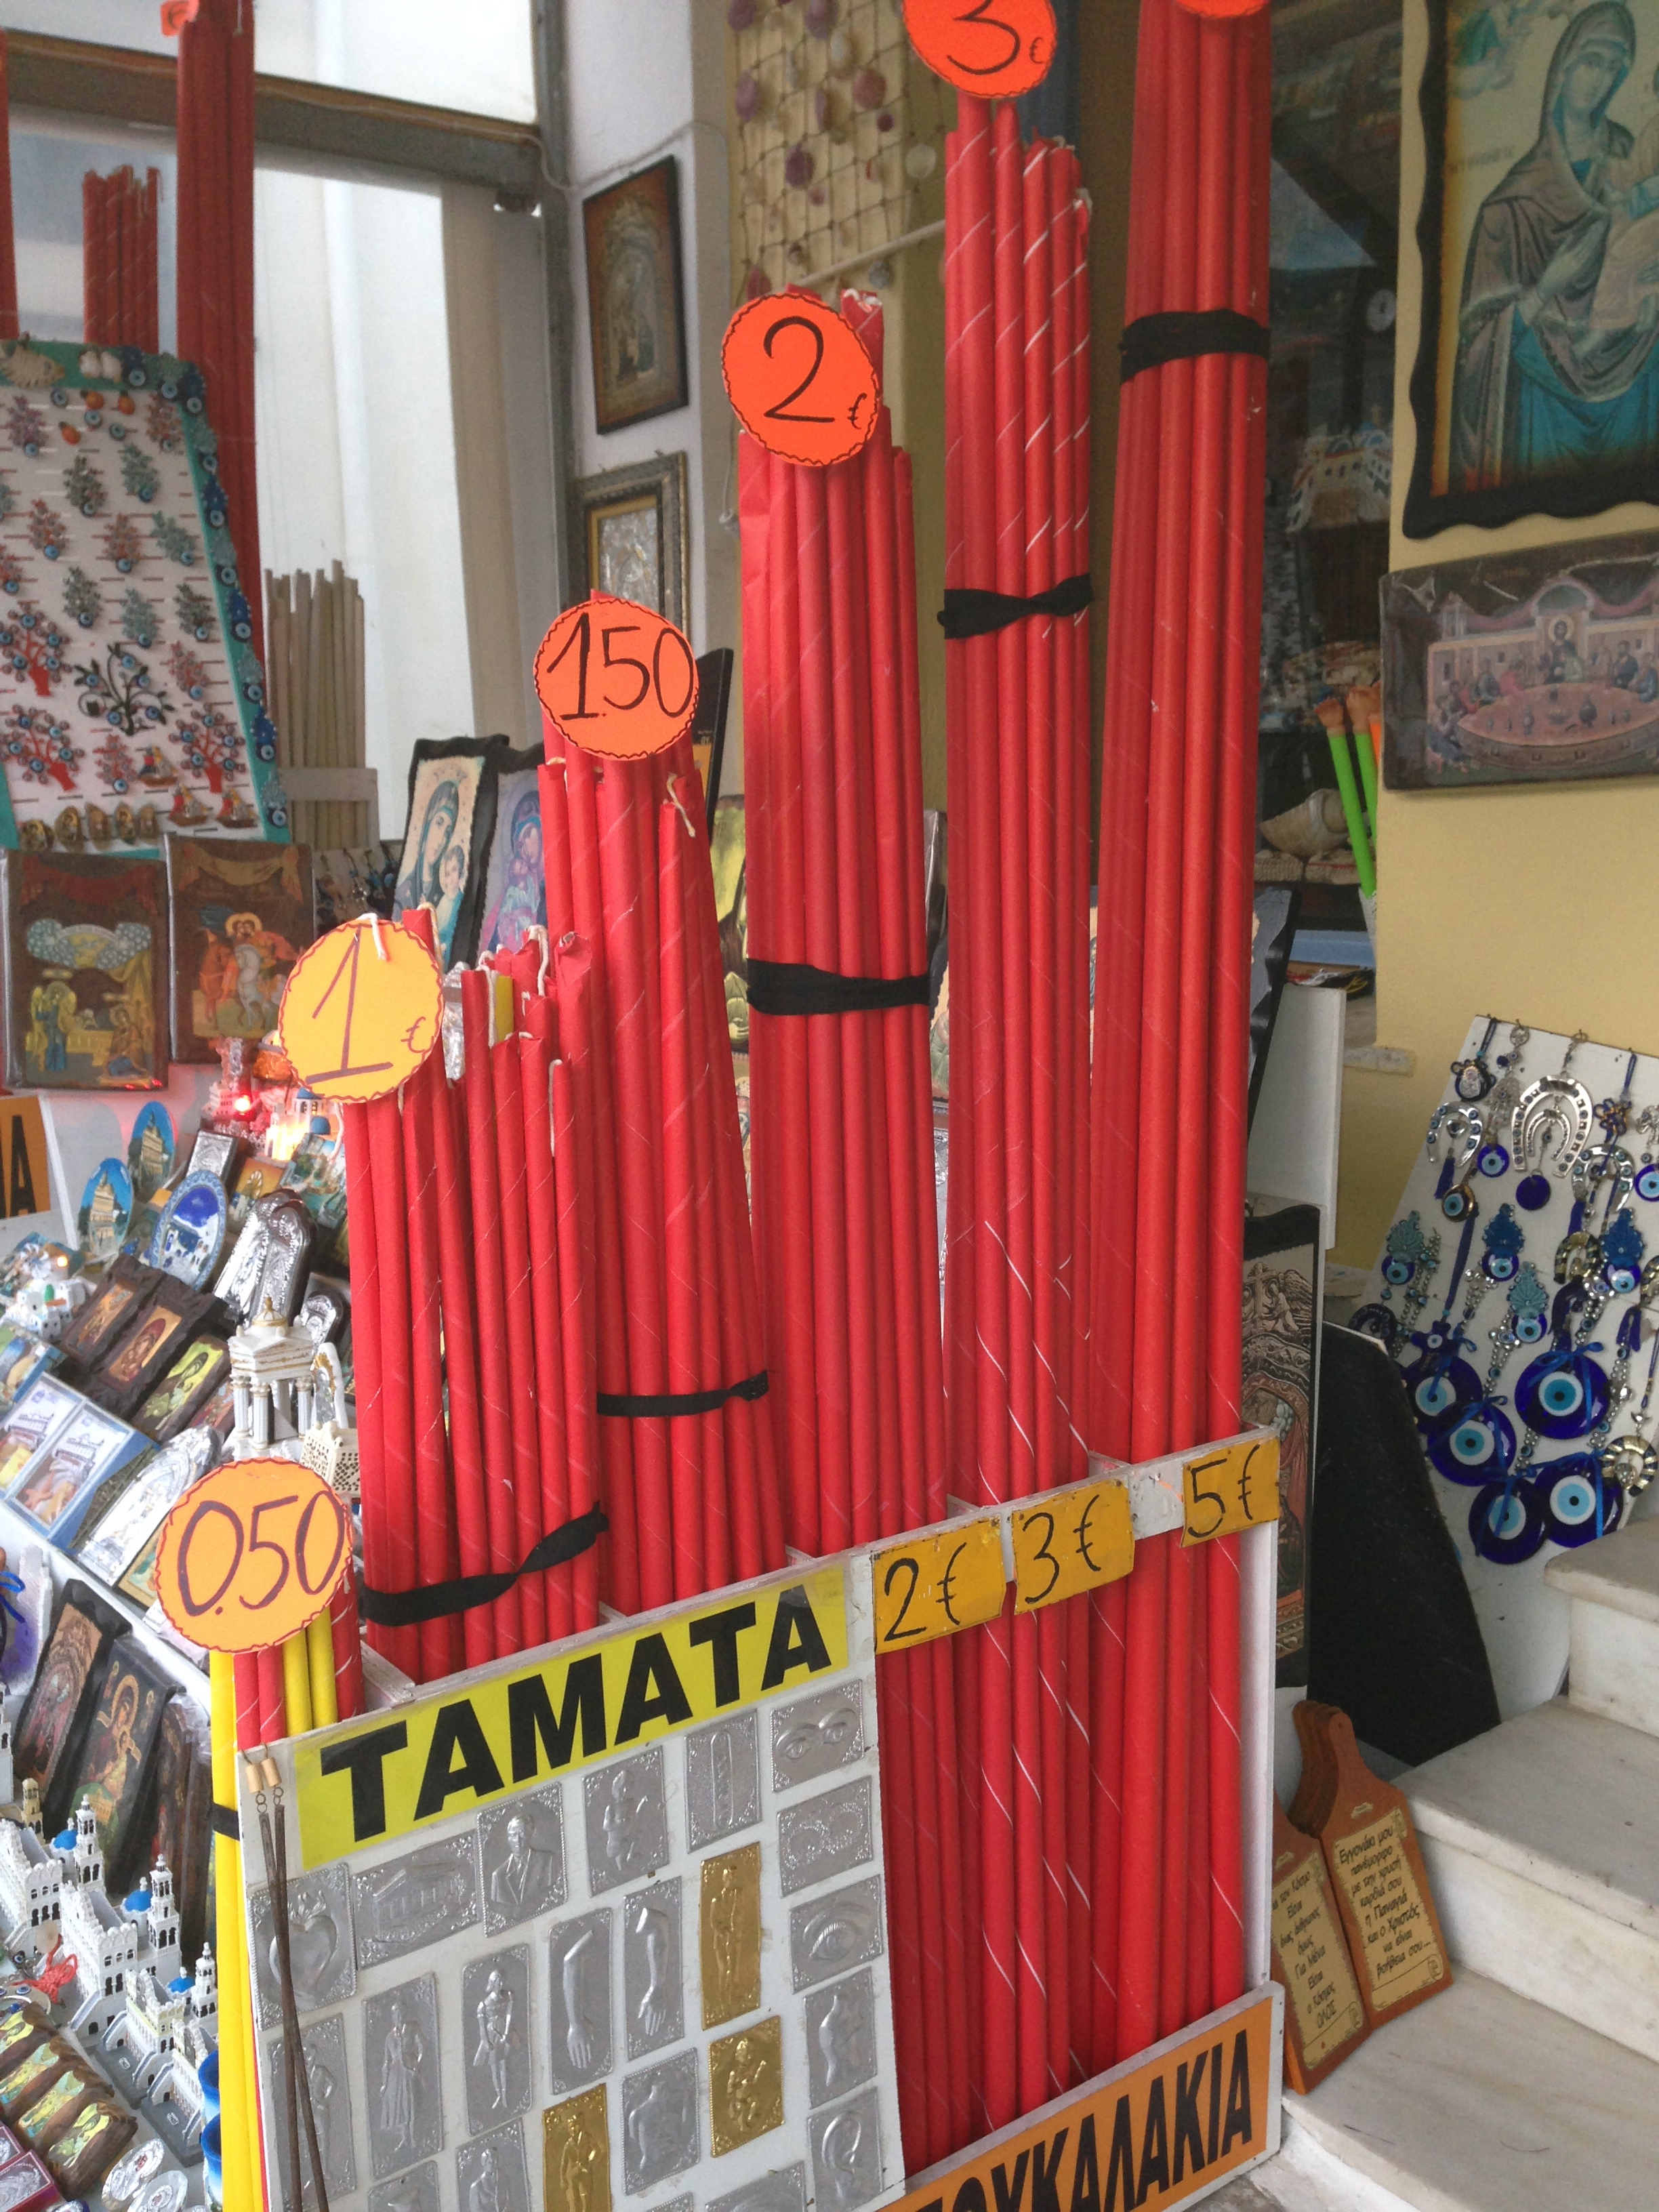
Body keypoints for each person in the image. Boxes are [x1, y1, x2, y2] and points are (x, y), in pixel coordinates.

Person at [1451, 4, 1659, 495]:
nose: (1599, 79)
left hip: (1637, 383)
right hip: (1543, 410)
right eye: (1590, 62)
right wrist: (1545, 288)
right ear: (1562, 68)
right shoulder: (1508, 209)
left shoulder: (1632, 157)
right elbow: (1475, 352)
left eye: (1612, 68)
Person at [483, 787, 546, 955]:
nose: (524, 847)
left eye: (528, 834)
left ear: (542, 829)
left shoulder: (552, 887)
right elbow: (493, 951)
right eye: (519, 844)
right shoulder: (514, 890)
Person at [394, 779, 461, 918]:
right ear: (427, 826)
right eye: (439, 823)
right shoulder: (404, 894)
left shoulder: (446, 888)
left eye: (448, 832)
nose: (441, 840)